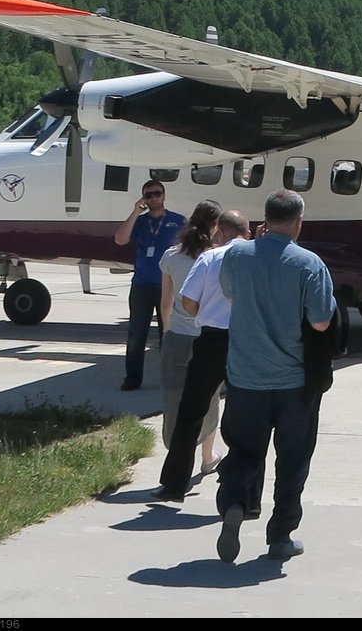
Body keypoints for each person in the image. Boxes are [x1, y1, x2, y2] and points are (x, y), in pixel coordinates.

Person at [215, 189, 336, 563]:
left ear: (264, 220)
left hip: (245, 377)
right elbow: (320, 320)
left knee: (244, 451)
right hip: (293, 384)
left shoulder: (237, 254)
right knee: (292, 461)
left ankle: (235, 504)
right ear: (299, 221)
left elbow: (229, 294)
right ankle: (280, 537)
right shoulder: (309, 264)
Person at [153, 208, 253, 503]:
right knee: (246, 411)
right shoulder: (255, 258)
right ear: (246, 232)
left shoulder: (210, 258)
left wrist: (204, 315)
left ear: (219, 232)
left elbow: (187, 301)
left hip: (211, 340)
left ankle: (175, 483)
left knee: (190, 412)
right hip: (246, 340)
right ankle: (241, 483)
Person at [157, 199, 222, 477]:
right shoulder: (216, 257)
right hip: (207, 337)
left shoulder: (172, 256)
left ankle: (176, 455)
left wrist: (167, 333)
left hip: (178, 336)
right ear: (215, 226)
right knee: (209, 398)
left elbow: (166, 303)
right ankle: (207, 456)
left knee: (174, 398)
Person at [113, 180, 185, 391]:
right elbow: (120, 239)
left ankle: (169, 378)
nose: (154, 198)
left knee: (168, 333)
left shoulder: (178, 221)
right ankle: (132, 378)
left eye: (157, 193)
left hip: (167, 285)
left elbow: (189, 248)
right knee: (137, 333)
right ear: (144, 198)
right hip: (142, 285)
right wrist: (135, 212)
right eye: (149, 195)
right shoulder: (141, 222)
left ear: (164, 195)